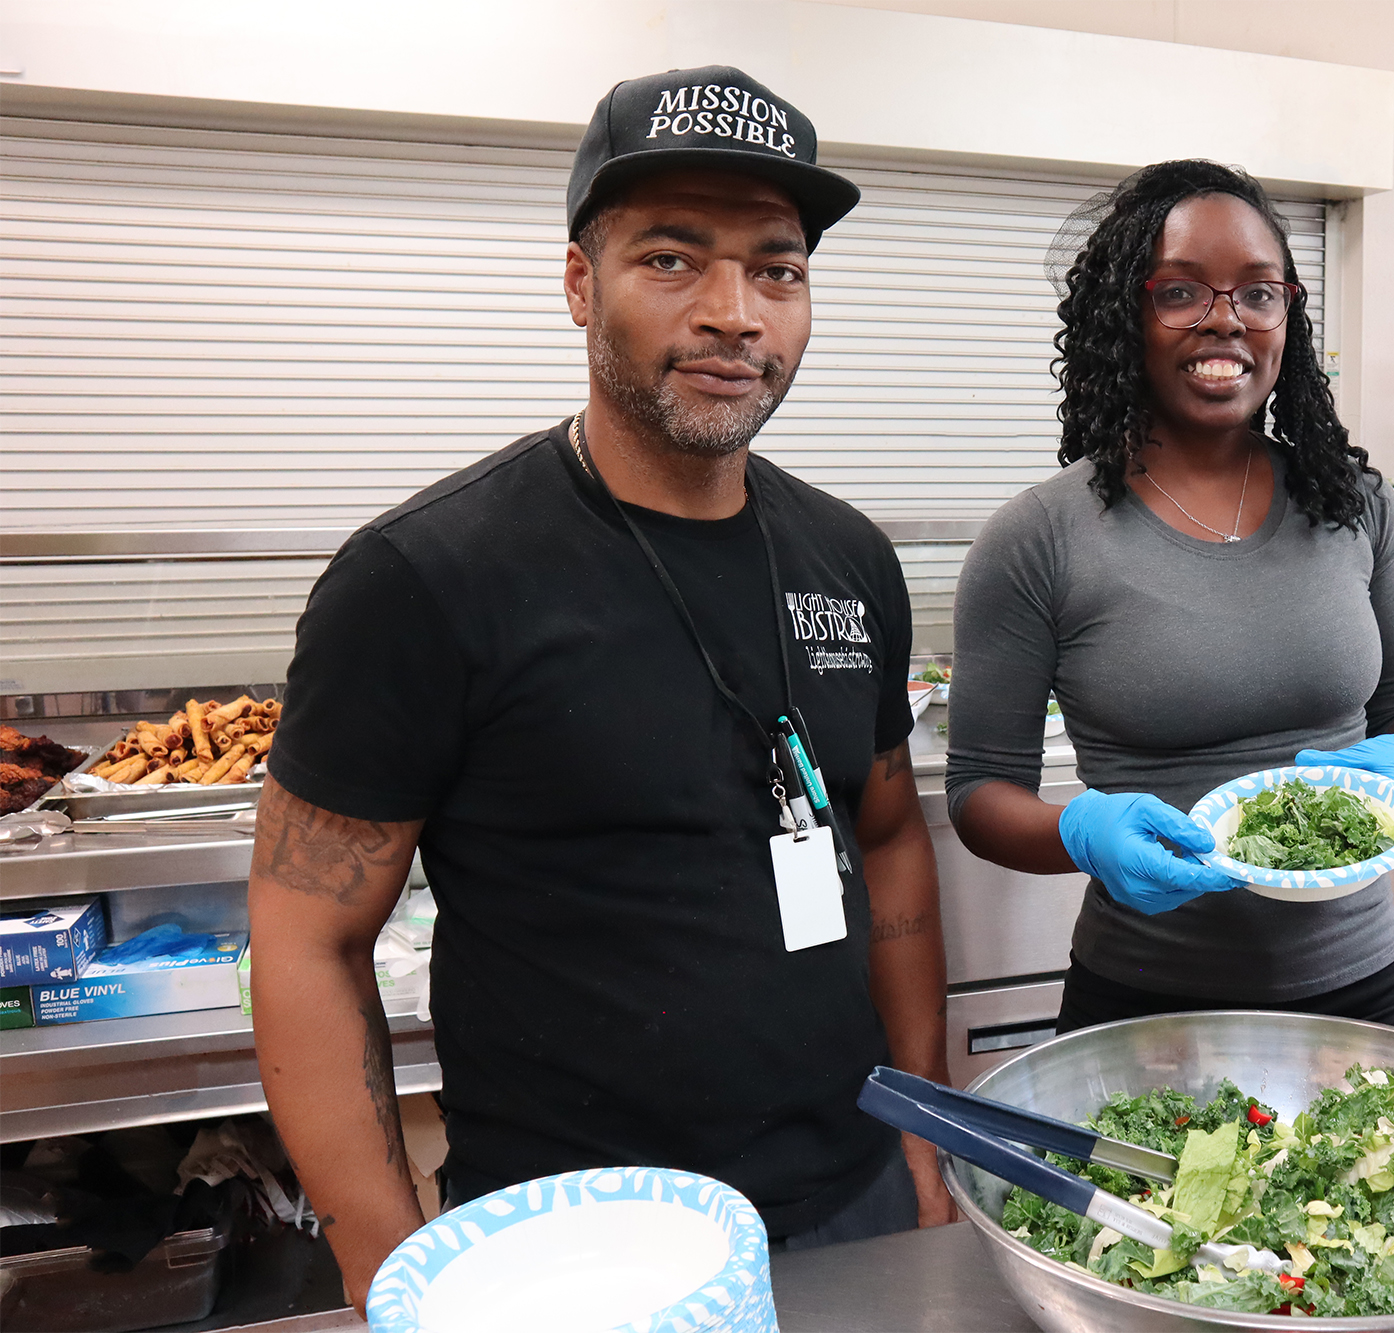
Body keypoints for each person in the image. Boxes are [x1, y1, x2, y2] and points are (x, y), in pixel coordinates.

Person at [250, 66, 953, 1309]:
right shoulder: (424, 579)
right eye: (672, 259)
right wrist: (386, 1261)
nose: (735, 312)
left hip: (854, 1200)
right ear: (581, 282)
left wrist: (917, 1118)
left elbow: (888, 833)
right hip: (570, 1239)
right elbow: (308, 936)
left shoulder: (851, 557)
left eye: (776, 269)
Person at [945, 160, 1394, 1034]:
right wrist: (1077, 832)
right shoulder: (1037, 538)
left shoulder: (1353, 504)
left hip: (1360, 989)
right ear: (1125, 316)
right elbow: (980, 792)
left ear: (1287, 315)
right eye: (1181, 292)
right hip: (1143, 1006)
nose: (1226, 320)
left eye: (1259, 294)